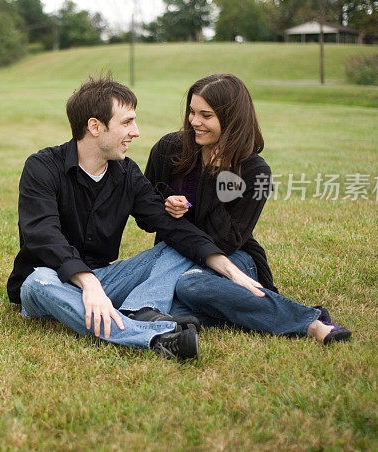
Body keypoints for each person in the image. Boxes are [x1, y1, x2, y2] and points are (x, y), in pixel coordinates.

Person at [8, 75, 268, 360]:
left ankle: (136, 310)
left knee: (172, 246)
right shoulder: (41, 167)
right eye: (127, 122)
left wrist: (231, 271)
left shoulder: (127, 173)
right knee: (37, 283)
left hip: (106, 278)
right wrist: (89, 285)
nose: (137, 132)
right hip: (52, 279)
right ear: (95, 126)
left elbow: (172, 226)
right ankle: (151, 337)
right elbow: (43, 234)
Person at [144, 73, 351, 344]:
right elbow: (147, 216)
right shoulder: (169, 149)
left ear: (230, 120)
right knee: (156, 303)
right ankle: (241, 311)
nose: (194, 121)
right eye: (192, 112)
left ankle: (310, 322)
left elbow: (227, 240)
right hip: (174, 257)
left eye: (206, 115)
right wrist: (165, 205)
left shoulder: (254, 171)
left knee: (189, 285)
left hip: (234, 259)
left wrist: (215, 177)